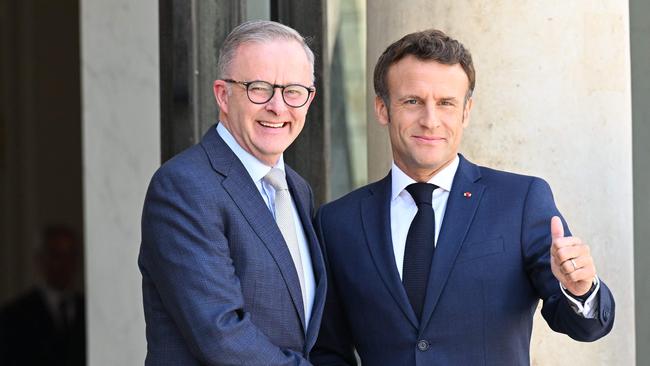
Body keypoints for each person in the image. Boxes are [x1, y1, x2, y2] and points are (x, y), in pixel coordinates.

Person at [311, 29, 615, 365]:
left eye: (446, 103)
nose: (430, 120)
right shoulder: (338, 223)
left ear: (466, 112)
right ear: (383, 109)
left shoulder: (520, 201)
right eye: (412, 101)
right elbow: (327, 349)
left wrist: (581, 288)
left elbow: (583, 326)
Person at [139, 20, 326, 365]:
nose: (278, 107)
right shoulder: (184, 187)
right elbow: (221, 335)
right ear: (223, 95)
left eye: (294, 91)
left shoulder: (297, 189)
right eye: (259, 88)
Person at [0, 225, 86, 366]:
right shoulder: (14, 315)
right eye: (57, 255)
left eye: (71, 255)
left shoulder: (88, 310)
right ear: (39, 259)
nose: (65, 264)